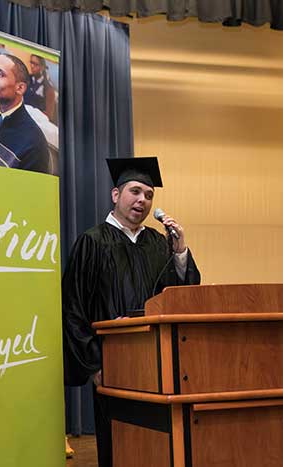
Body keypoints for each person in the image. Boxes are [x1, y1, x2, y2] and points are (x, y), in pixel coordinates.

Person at [61, 157, 201, 467]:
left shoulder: (157, 242)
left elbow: (182, 297)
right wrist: (94, 365)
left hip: (156, 362)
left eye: (149, 195)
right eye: (135, 191)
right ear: (116, 195)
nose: (142, 200)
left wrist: (180, 254)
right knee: (118, 444)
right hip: (113, 364)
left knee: (157, 443)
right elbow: (73, 309)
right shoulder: (93, 242)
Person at [24, 54, 57, 123]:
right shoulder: (27, 79)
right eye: (31, 62)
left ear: (42, 67)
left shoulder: (48, 88)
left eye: (36, 64)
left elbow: (49, 115)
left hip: (37, 121)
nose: (32, 66)